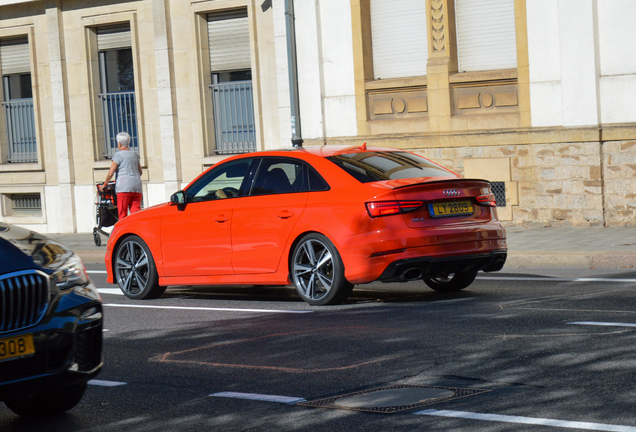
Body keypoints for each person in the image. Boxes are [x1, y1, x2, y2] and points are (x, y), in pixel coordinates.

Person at [99, 132, 143, 220]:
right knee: (136, 212)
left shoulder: (118, 155)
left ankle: (124, 231)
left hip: (124, 187)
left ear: (119, 143)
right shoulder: (134, 154)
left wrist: (104, 184)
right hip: (137, 186)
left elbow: (111, 173)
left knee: (122, 213)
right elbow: (140, 172)